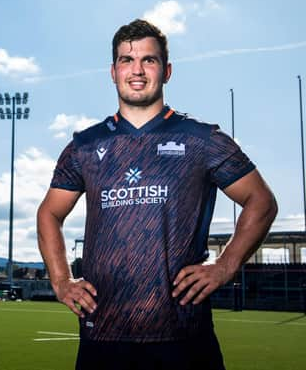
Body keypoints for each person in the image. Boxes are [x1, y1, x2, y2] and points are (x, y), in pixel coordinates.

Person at [37, 19, 277, 370]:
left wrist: (225, 265)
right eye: (126, 60)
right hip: (102, 335)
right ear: (112, 71)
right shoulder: (84, 146)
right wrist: (61, 281)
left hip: (183, 337)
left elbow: (262, 201)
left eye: (148, 60)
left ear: (166, 70)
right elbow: (49, 214)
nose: (137, 70)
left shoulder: (201, 139)